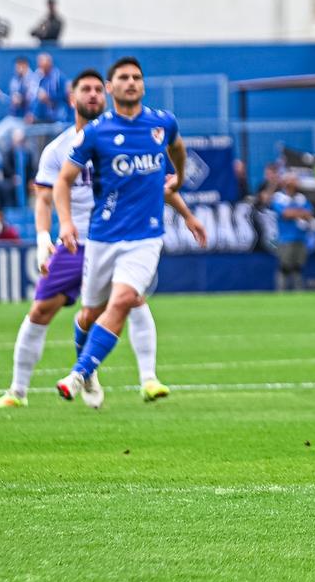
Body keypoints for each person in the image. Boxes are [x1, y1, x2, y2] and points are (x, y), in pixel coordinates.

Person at [0, 70, 201, 409]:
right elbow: (44, 197)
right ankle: (18, 391)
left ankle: (146, 378)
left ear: (106, 95)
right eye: (84, 89)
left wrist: (187, 215)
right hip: (77, 243)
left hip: (123, 236)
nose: (92, 95)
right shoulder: (57, 149)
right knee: (44, 310)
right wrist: (45, 237)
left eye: (96, 90)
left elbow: (156, 183)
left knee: (131, 299)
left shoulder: (127, 136)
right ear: (71, 98)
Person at [53, 57, 203, 405]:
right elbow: (63, 181)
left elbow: (178, 149)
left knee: (123, 301)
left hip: (146, 238)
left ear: (143, 85)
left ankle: (78, 374)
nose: (131, 82)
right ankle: (89, 370)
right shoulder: (96, 132)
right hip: (103, 237)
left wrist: (179, 178)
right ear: (111, 87)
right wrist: (66, 222)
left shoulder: (162, 123)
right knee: (90, 314)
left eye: (137, 77)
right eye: (123, 77)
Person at [272, 175, 315, 291]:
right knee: (284, 266)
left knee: (298, 267)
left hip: (301, 237)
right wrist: (300, 213)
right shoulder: (279, 197)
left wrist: (294, 213)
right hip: (285, 238)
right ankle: (281, 291)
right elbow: (285, 213)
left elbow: (309, 213)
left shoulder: (301, 198)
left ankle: (298, 291)